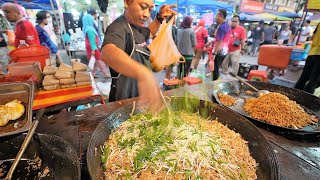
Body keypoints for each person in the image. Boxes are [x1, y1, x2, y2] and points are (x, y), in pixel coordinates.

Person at [100, 0, 177, 110]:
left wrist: (159, 17)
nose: (146, 14)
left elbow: (150, 32)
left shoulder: (136, 28)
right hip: (124, 101)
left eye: (150, 10)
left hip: (139, 99)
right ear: (127, 2)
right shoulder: (118, 27)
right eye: (143, 7)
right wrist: (143, 73)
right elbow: (108, 52)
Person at [294, 23, 320, 94]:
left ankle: (293, 96)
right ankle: (305, 100)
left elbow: (313, 37)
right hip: (318, 55)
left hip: (312, 52)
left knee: (304, 78)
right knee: (314, 80)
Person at [208, 9, 230, 81]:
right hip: (225, 50)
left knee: (215, 69)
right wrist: (211, 41)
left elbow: (219, 42)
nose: (215, 17)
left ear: (221, 16)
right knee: (217, 67)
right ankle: (215, 82)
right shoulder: (227, 25)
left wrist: (214, 54)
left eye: (217, 15)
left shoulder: (221, 27)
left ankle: (214, 84)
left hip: (219, 51)